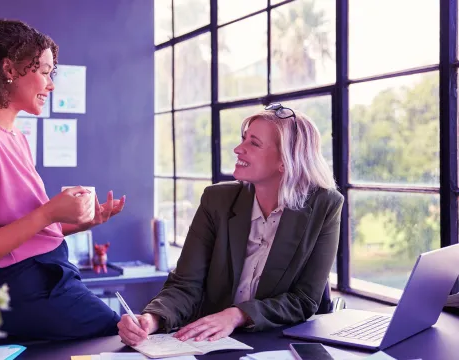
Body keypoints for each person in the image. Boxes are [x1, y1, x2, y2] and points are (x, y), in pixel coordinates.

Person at [0, 19, 125, 341]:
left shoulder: (14, 137)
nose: (51, 85)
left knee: (121, 333)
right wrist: (49, 212)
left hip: (49, 279)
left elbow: (19, 232)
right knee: (120, 334)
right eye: (45, 71)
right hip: (28, 290)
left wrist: (77, 222)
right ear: (9, 68)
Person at [118, 103, 343, 345]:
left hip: (279, 344)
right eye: (243, 139)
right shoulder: (217, 200)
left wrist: (238, 315)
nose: (238, 149)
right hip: (211, 343)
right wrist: (152, 319)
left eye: (253, 143)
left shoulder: (325, 205)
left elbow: (304, 300)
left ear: (285, 161)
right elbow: (186, 284)